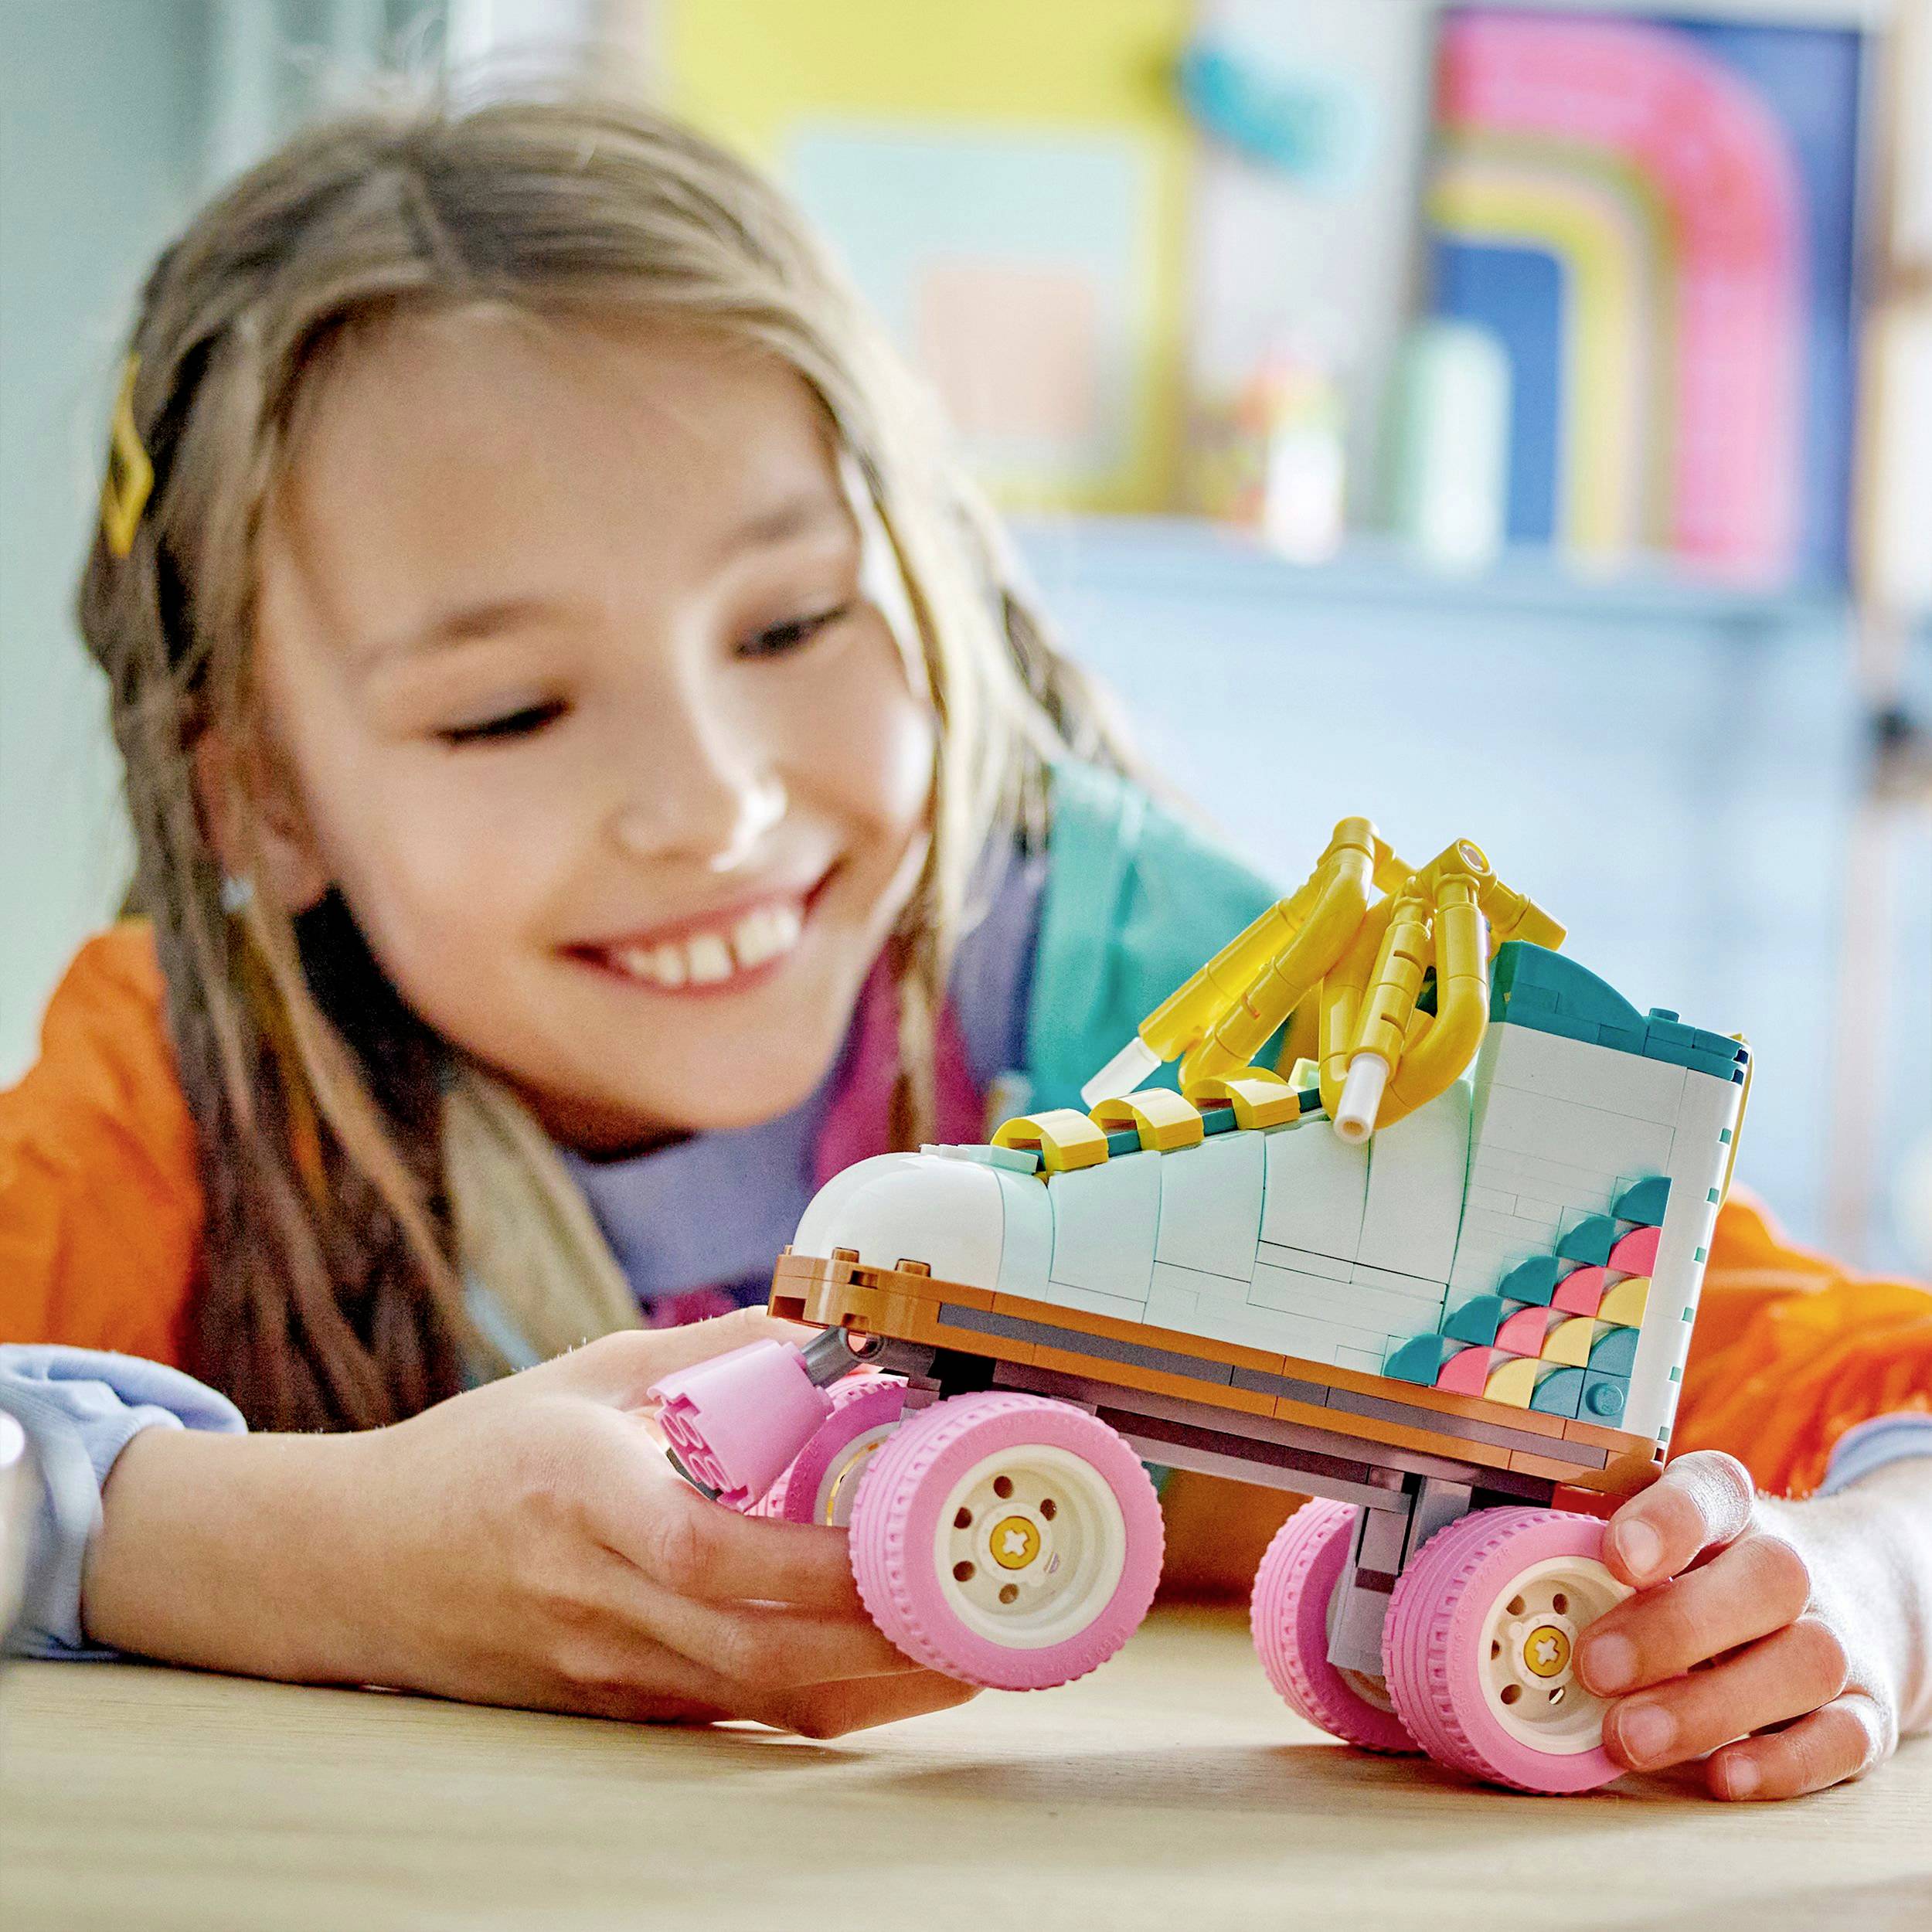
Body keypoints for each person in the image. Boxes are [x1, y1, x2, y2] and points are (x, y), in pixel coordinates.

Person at [3, 95, 1928, 1791]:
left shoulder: (1182, 999)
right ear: (255, 787)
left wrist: (1856, 1579)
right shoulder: (195, 1070)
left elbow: (1871, 1393)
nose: (718, 806)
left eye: (789, 628)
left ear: (926, 578)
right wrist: (320, 1547)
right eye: (506, 711)